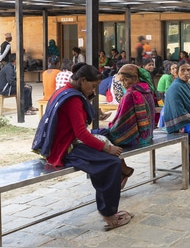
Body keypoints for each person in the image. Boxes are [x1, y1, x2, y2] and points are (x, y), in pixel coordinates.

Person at [31, 63, 134, 230]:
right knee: (112, 163)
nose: (93, 90)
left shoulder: (64, 90)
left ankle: (108, 203)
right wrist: (107, 149)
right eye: (92, 86)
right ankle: (109, 213)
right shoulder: (73, 99)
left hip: (64, 143)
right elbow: (81, 133)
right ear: (83, 80)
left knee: (106, 144)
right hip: (65, 149)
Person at [95, 64, 156, 188]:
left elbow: (121, 122)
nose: (124, 84)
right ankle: (123, 168)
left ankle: (119, 172)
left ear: (135, 78)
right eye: (122, 81)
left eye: (126, 80)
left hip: (137, 138)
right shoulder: (147, 89)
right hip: (148, 135)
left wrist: (110, 129)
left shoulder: (130, 94)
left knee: (101, 137)